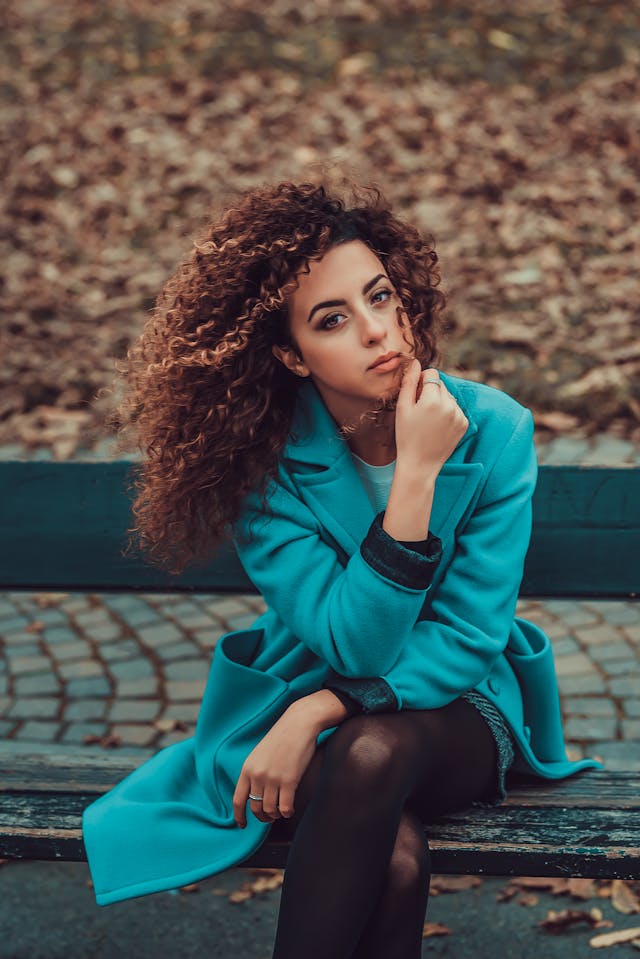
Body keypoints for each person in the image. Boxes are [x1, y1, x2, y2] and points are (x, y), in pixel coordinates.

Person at [83, 179, 603, 958]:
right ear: (292, 354)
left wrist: (320, 711)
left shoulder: (494, 431)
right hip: (308, 691)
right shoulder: (264, 465)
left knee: (369, 749)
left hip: (458, 707)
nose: (377, 332)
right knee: (392, 861)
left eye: (380, 297)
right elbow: (348, 638)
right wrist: (414, 487)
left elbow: (466, 634)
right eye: (333, 319)